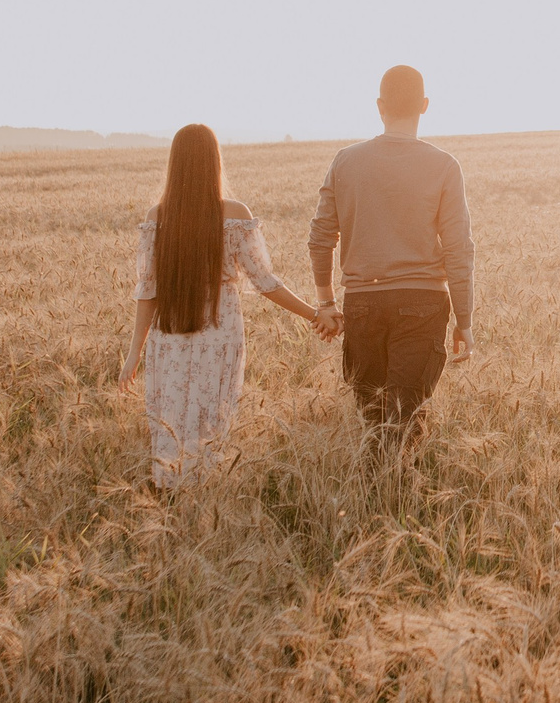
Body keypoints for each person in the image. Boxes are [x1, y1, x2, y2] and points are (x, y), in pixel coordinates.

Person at [122, 123, 329, 487]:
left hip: (168, 336)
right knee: (210, 418)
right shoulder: (233, 215)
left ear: (175, 164)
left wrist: (133, 355)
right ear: (214, 162)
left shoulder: (158, 217)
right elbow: (266, 283)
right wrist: (315, 313)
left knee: (170, 415)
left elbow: (147, 293)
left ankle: (168, 492)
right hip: (218, 333)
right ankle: (205, 493)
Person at [309, 65, 475, 445]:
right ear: (425, 105)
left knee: (374, 424)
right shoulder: (445, 166)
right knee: (406, 422)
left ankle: (371, 499)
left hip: (362, 302)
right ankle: (399, 498)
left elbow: (320, 238)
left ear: (379, 106)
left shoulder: (345, 161)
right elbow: (458, 249)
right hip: (424, 302)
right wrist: (463, 318)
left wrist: (326, 302)